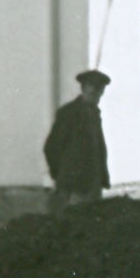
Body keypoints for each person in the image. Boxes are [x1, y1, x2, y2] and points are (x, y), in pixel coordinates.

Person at [43, 69, 111, 211]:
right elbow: (51, 147)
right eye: (91, 87)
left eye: (99, 89)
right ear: (83, 88)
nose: (95, 92)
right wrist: (62, 176)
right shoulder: (69, 113)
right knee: (75, 224)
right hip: (74, 187)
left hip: (93, 185)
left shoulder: (94, 113)